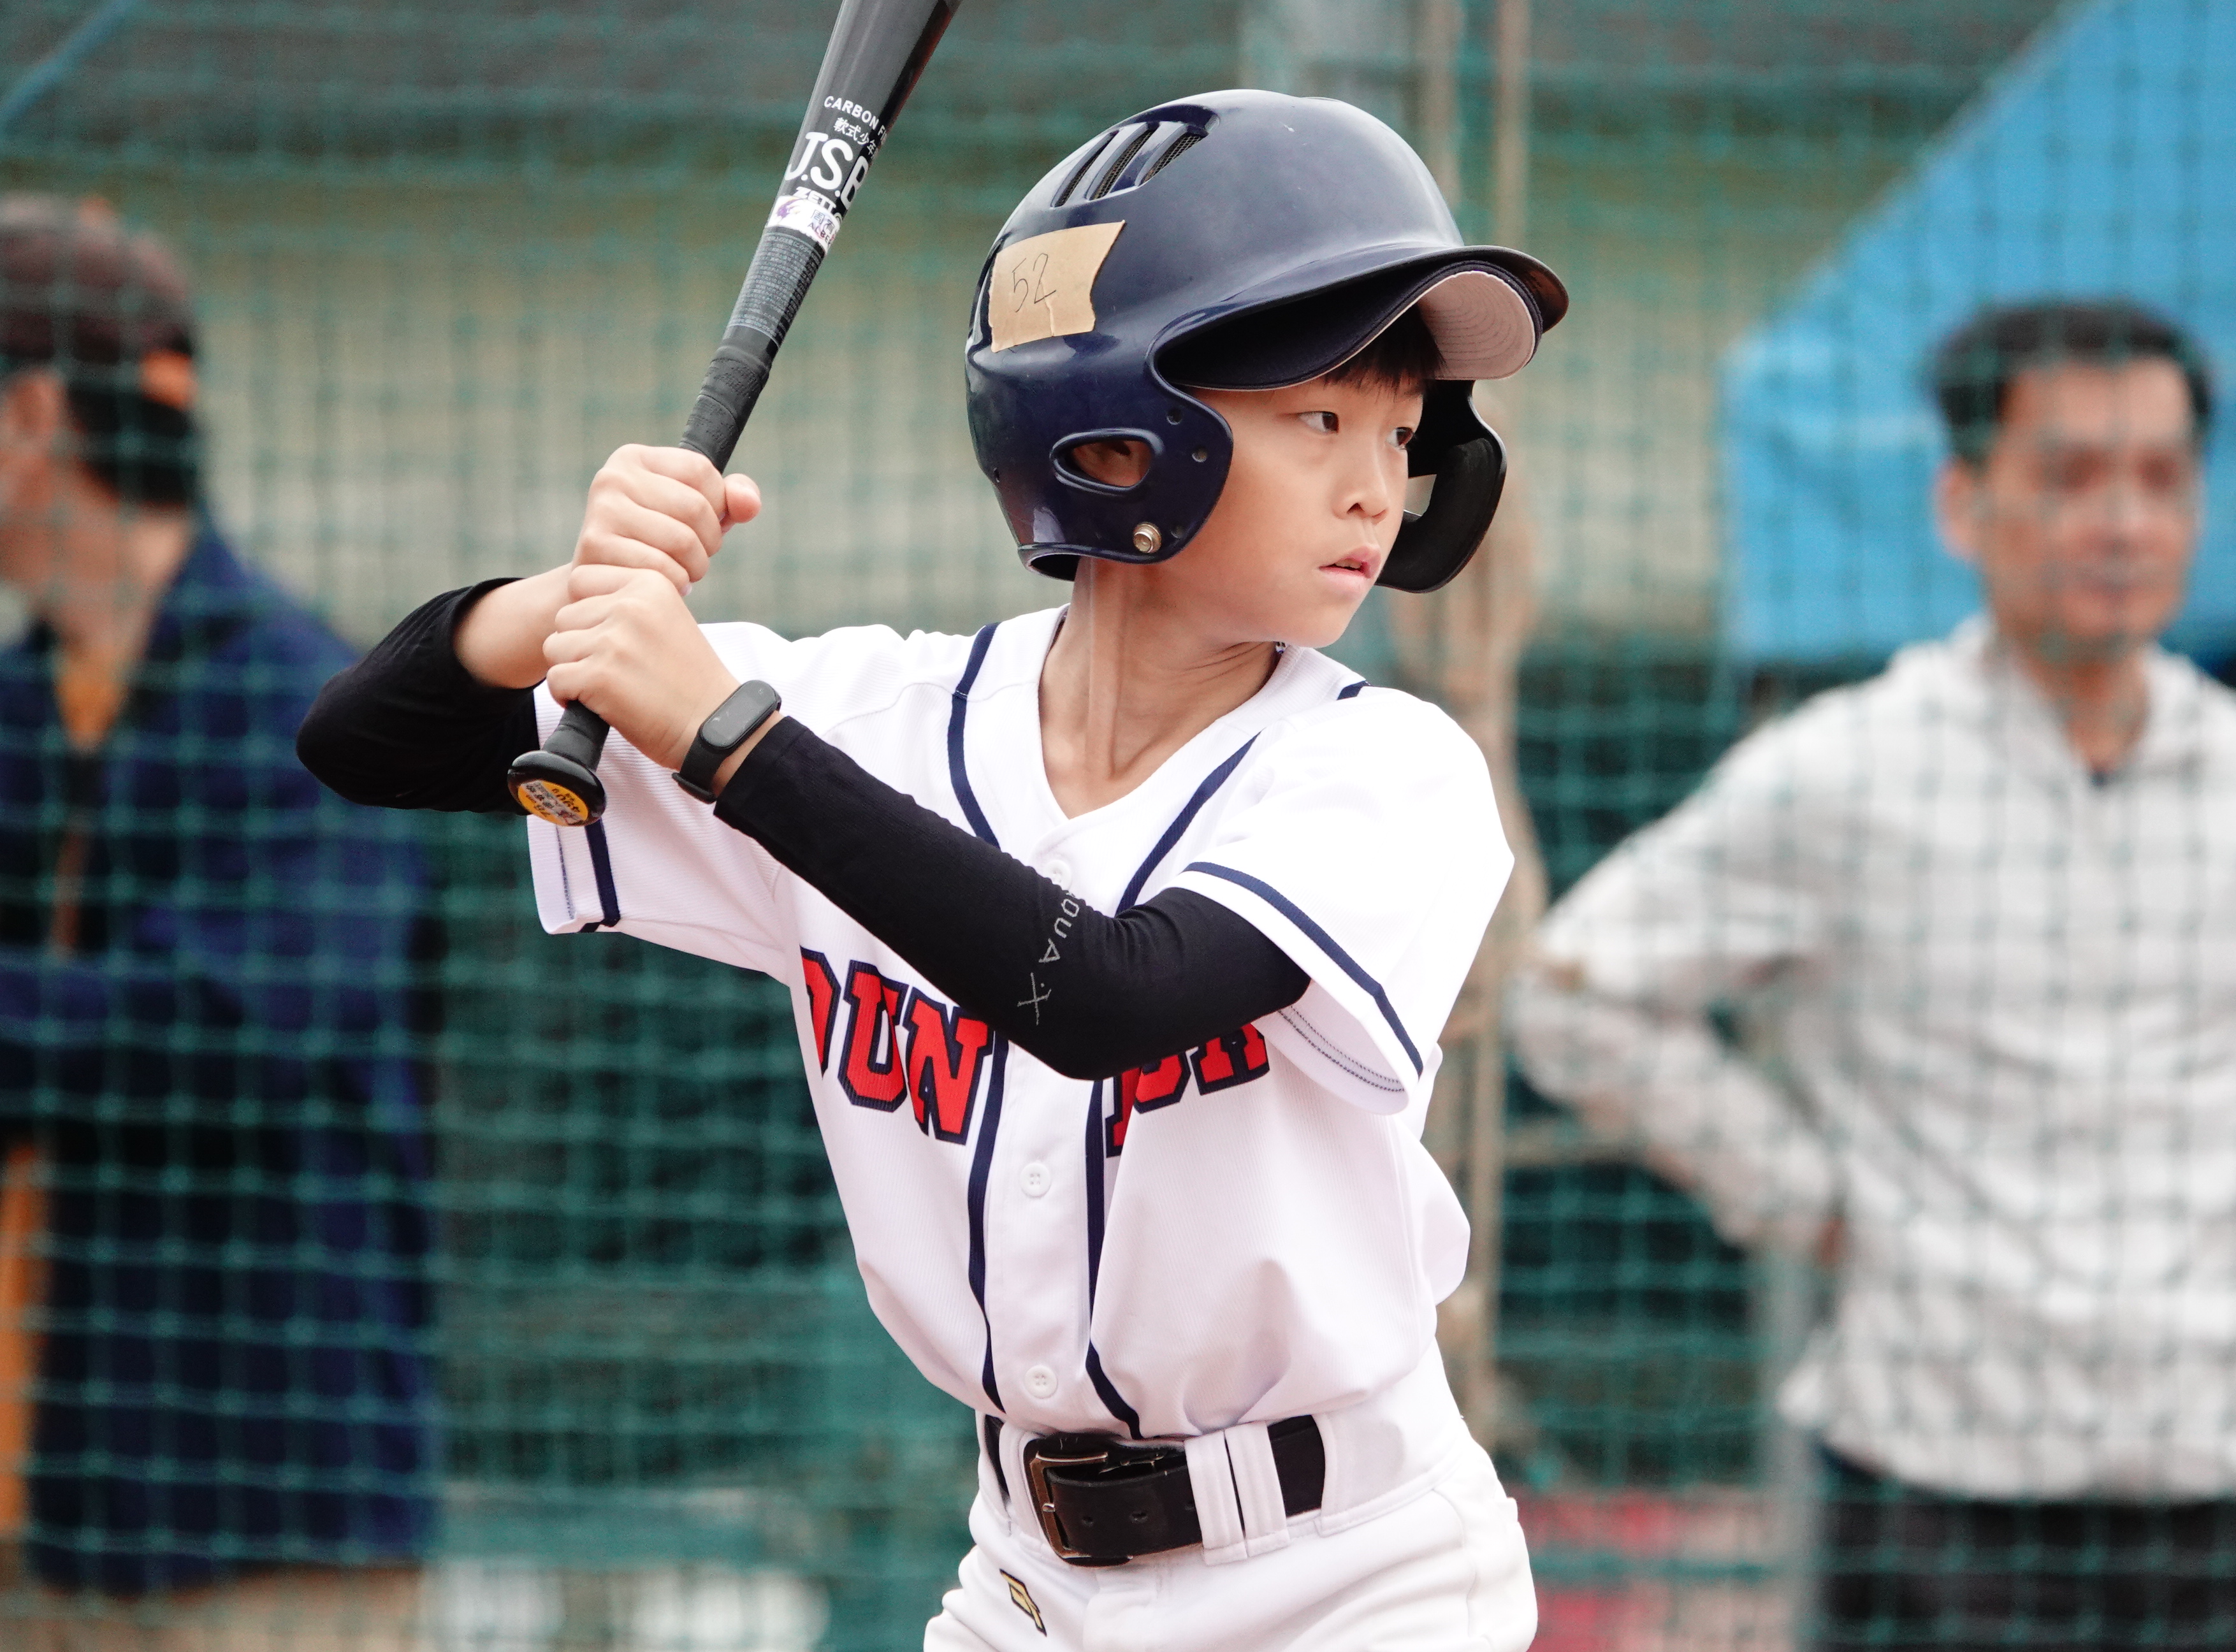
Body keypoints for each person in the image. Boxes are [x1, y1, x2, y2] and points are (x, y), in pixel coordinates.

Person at [299, 91, 1564, 1650]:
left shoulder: (1385, 769)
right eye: (1319, 420)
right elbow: (367, 739)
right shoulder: (875, 719)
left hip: (1353, 1580)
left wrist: (725, 740)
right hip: (1029, 1579)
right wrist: (581, 592)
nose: (1377, 484)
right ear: (1111, 432)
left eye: (1399, 431)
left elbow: (1107, 997)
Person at [1511, 298, 2236, 1650]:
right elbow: (1573, 994)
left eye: (2161, 478)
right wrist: (1808, 1198)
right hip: (1929, 1495)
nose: (2122, 522)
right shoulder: (1849, 770)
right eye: (2070, 476)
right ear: (1962, 503)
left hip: (2216, 1492)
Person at [0, 198, 436, 1649]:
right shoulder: (23, 709)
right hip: (46, 1511)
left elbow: (217, 1034)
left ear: (35, 417)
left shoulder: (309, 706)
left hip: (262, 1525)